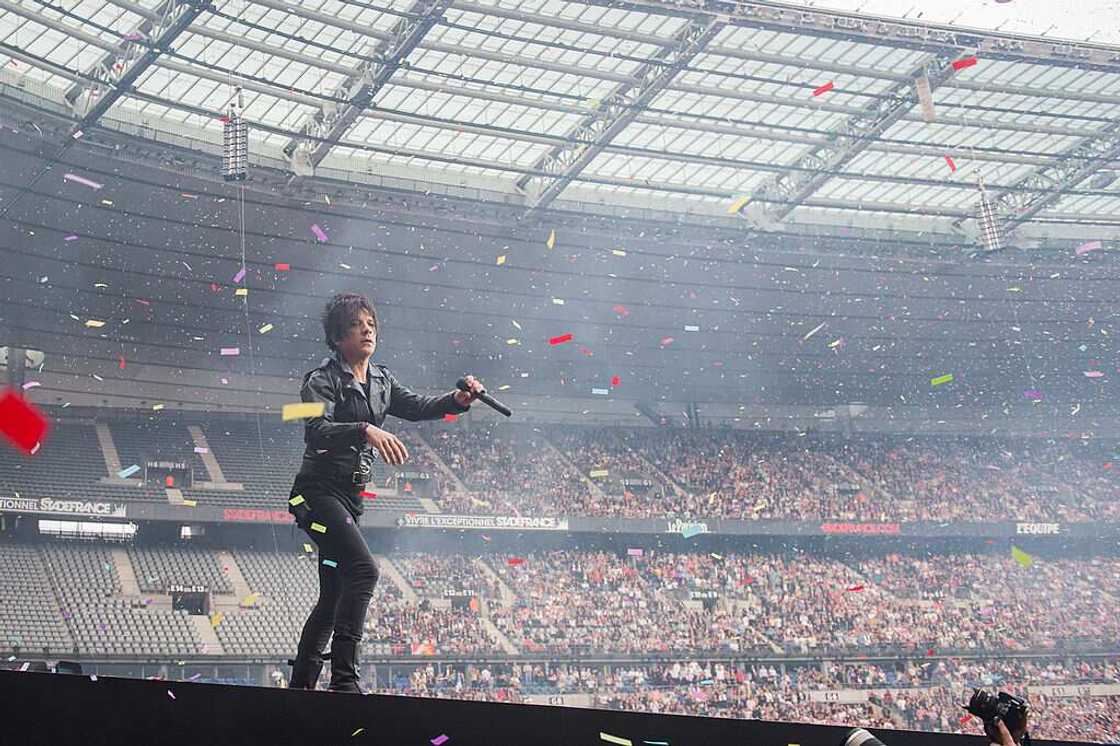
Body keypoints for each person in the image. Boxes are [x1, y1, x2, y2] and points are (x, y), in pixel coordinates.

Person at [287, 292, 485, 692]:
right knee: (364, 570)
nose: (367, 330)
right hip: (313, 497)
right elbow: (315, 430)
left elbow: (418, 406)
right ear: (338, 336)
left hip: (349, 501)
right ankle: (344, 681)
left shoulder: (381, 379)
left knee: (334, 596)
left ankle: (300, 687)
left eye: (371, 324)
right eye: (358, 324)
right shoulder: (319, 381)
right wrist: (365, 429)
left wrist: (457, 401)